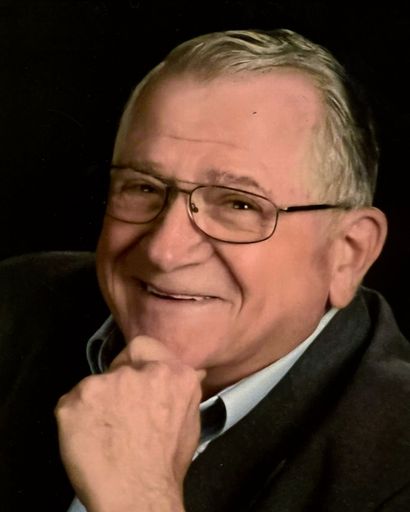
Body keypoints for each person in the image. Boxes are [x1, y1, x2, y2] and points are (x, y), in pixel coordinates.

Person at [1, 28, 409, 512]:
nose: (165, 251)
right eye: (144, 188)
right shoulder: (13, 305)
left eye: (238, 204)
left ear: (348, 253)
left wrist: (139, 499)